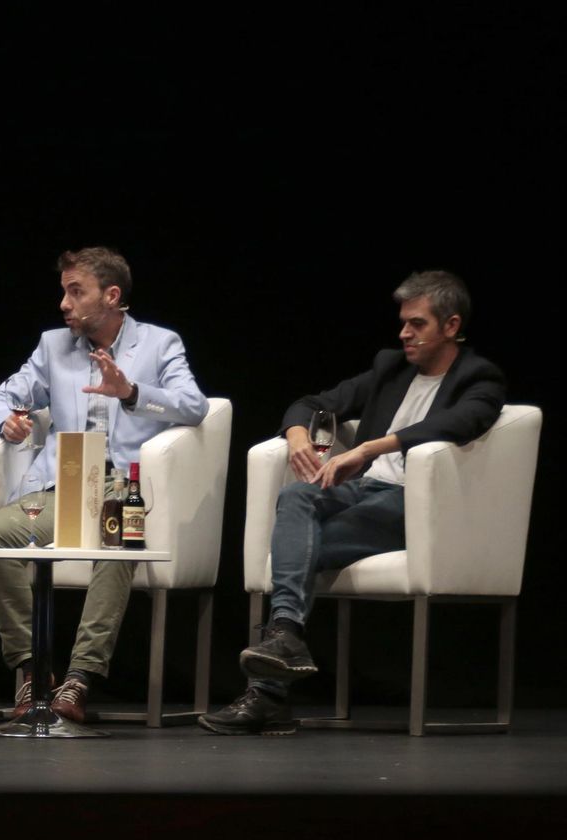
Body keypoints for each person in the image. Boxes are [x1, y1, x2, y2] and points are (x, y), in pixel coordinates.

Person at [200, 270, 505, 736]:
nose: (404, 333)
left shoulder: (478, 376)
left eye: (417, 324)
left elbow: (461, 422)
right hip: (364, 492)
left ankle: (267, 694)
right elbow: (312, 402)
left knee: (297, 549)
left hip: (414, 504)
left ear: (451, 326)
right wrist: (297, 436)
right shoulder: (392, 368)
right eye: (403, 322)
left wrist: (367, 448)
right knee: (296, 494)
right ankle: (286, 638)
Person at [0, 247, 208, 723]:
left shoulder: (160, 344)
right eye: (64, 291)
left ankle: (79, 678)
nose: (64, 303)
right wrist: (5, 422)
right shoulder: (53, 346)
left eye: (76, 291)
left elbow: (194, 405)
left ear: (111, 295)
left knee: (117, 537)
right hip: (62, 486)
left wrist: (131, 392)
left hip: (124, 488)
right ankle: (33, 672)